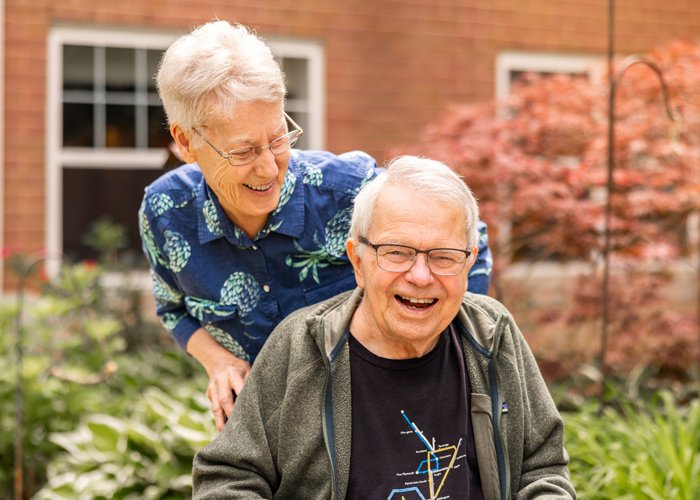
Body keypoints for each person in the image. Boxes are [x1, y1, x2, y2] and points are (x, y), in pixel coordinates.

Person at [139, 20, 493, 431]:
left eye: (277, 138)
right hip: (268, 434)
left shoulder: (350, 190)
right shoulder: (165, 211)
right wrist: (218, 361)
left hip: (386, 421)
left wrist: (433, 353)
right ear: (185, 143)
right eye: (243, 151)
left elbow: (469, 241)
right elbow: (173, 308)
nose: (269, 167)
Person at [191, 156, 575, 500]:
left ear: (469, 262)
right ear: (358, 261)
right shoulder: (300, 346)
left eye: (444, 256)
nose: (421, 276)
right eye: (397, 252)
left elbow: (541, 468)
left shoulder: (493, 333)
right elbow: (228, 477)